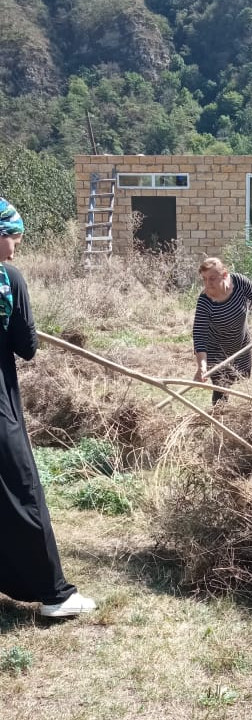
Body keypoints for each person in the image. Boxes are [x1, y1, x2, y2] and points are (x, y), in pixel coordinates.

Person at [0, 197, 96, 617]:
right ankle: (55, 595)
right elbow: (27, 347)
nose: (14, 248)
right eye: (11, 237)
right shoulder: (7, 280)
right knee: (21, 490)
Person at [193, 257, 252, 403]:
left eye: (212, 278)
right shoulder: (204, 301)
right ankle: (219, 418)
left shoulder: (239, 282)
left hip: (241, 345)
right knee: (221, 387)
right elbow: (199, 335)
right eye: (204, 279)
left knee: (242, 379)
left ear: (225, 275)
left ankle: (241, 413)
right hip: (216, 350)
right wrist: (202, 367)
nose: (208, 284)